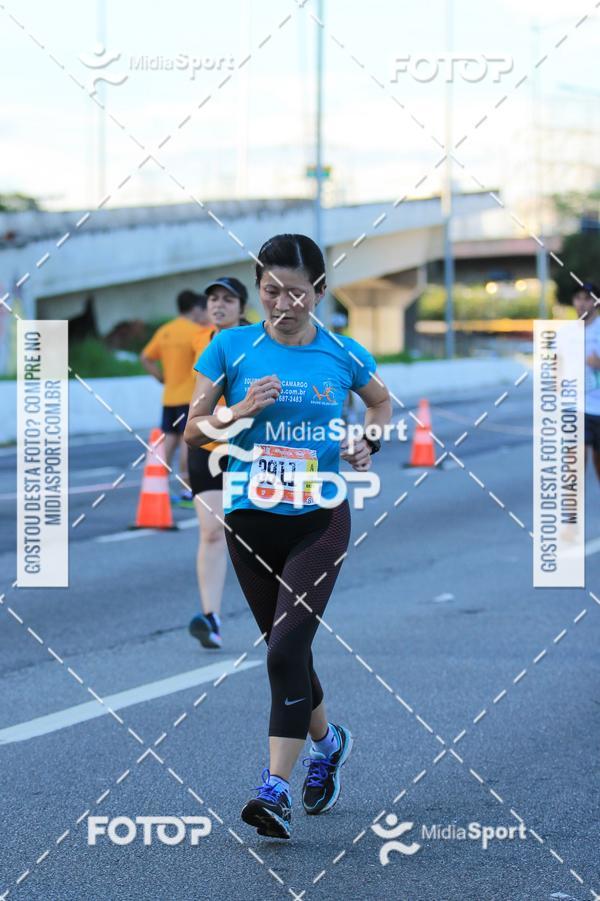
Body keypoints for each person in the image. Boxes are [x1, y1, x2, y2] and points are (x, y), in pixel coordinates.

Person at [184, 234, 392, 839]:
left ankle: (273, 788)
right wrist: (240, 409)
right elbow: (196, 431)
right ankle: (329, 746)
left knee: (282, 652)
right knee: (288, 650)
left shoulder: (343, 353)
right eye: (270, 291)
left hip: (318, 519)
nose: (282, 303)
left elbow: (379, 407)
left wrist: (368, 441)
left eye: (295, 292)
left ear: (319, 292)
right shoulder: (229, 347)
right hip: (249, 518)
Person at [187, 277, 250, 649]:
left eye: (228, 299)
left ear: (242, 307)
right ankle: (211, 617)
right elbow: (192, 402)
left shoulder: (261, 342)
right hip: (207, 447)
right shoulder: (199, 341)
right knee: (211, 531)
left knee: (254, 533)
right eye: (213, 299)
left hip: (252, 449)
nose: (219, 305)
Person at [140, 290, 210, 502]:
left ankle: (156, 488)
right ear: (196, 308)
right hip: (189, 397)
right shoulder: (197, 332)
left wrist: (160, 377)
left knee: (167, 443)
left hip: (169, 397)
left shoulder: (165, 331)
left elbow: (145, 357)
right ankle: (187, 490)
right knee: (188, 445)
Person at [573, 281, 600, 483]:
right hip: (576, 408)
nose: (582, 303)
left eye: (587, 298)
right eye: (578, 298)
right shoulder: (566, 333)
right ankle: (571, 513)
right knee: (575, 465)